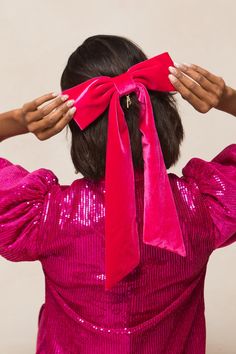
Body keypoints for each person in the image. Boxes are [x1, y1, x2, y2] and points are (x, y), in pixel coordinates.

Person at [0, 35, 235, 354]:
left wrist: (15, 122)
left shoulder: (45, 216)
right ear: (158, 108)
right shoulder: (205, 208)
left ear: (74, 125)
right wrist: (228, 99)